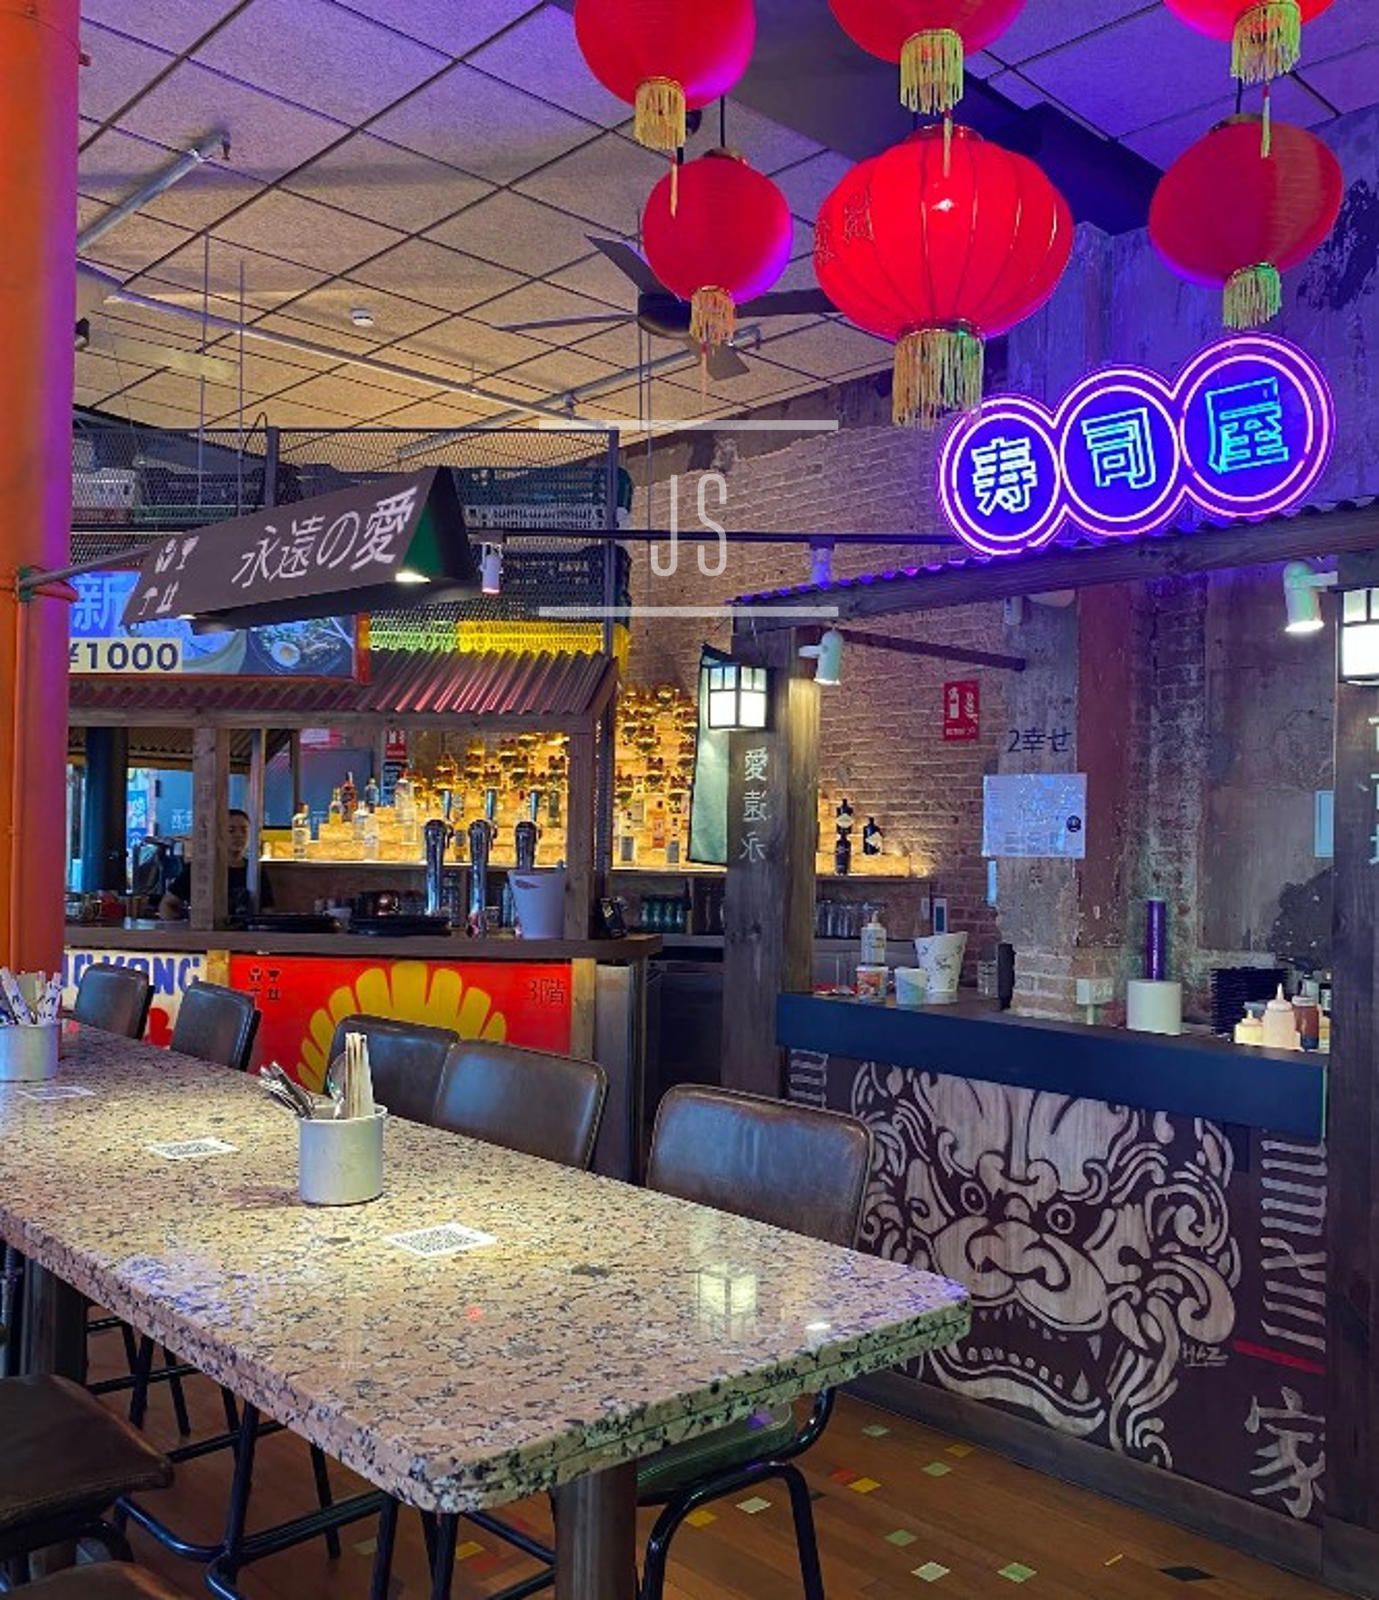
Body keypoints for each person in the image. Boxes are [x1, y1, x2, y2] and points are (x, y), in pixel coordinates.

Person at [158, 808, 271, 920]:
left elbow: (268, 910)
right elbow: (167, 904)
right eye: (231, 830)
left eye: (244, 830)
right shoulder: (199, 869)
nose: (239, 835)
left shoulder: (255, 871)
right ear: (218, 833)